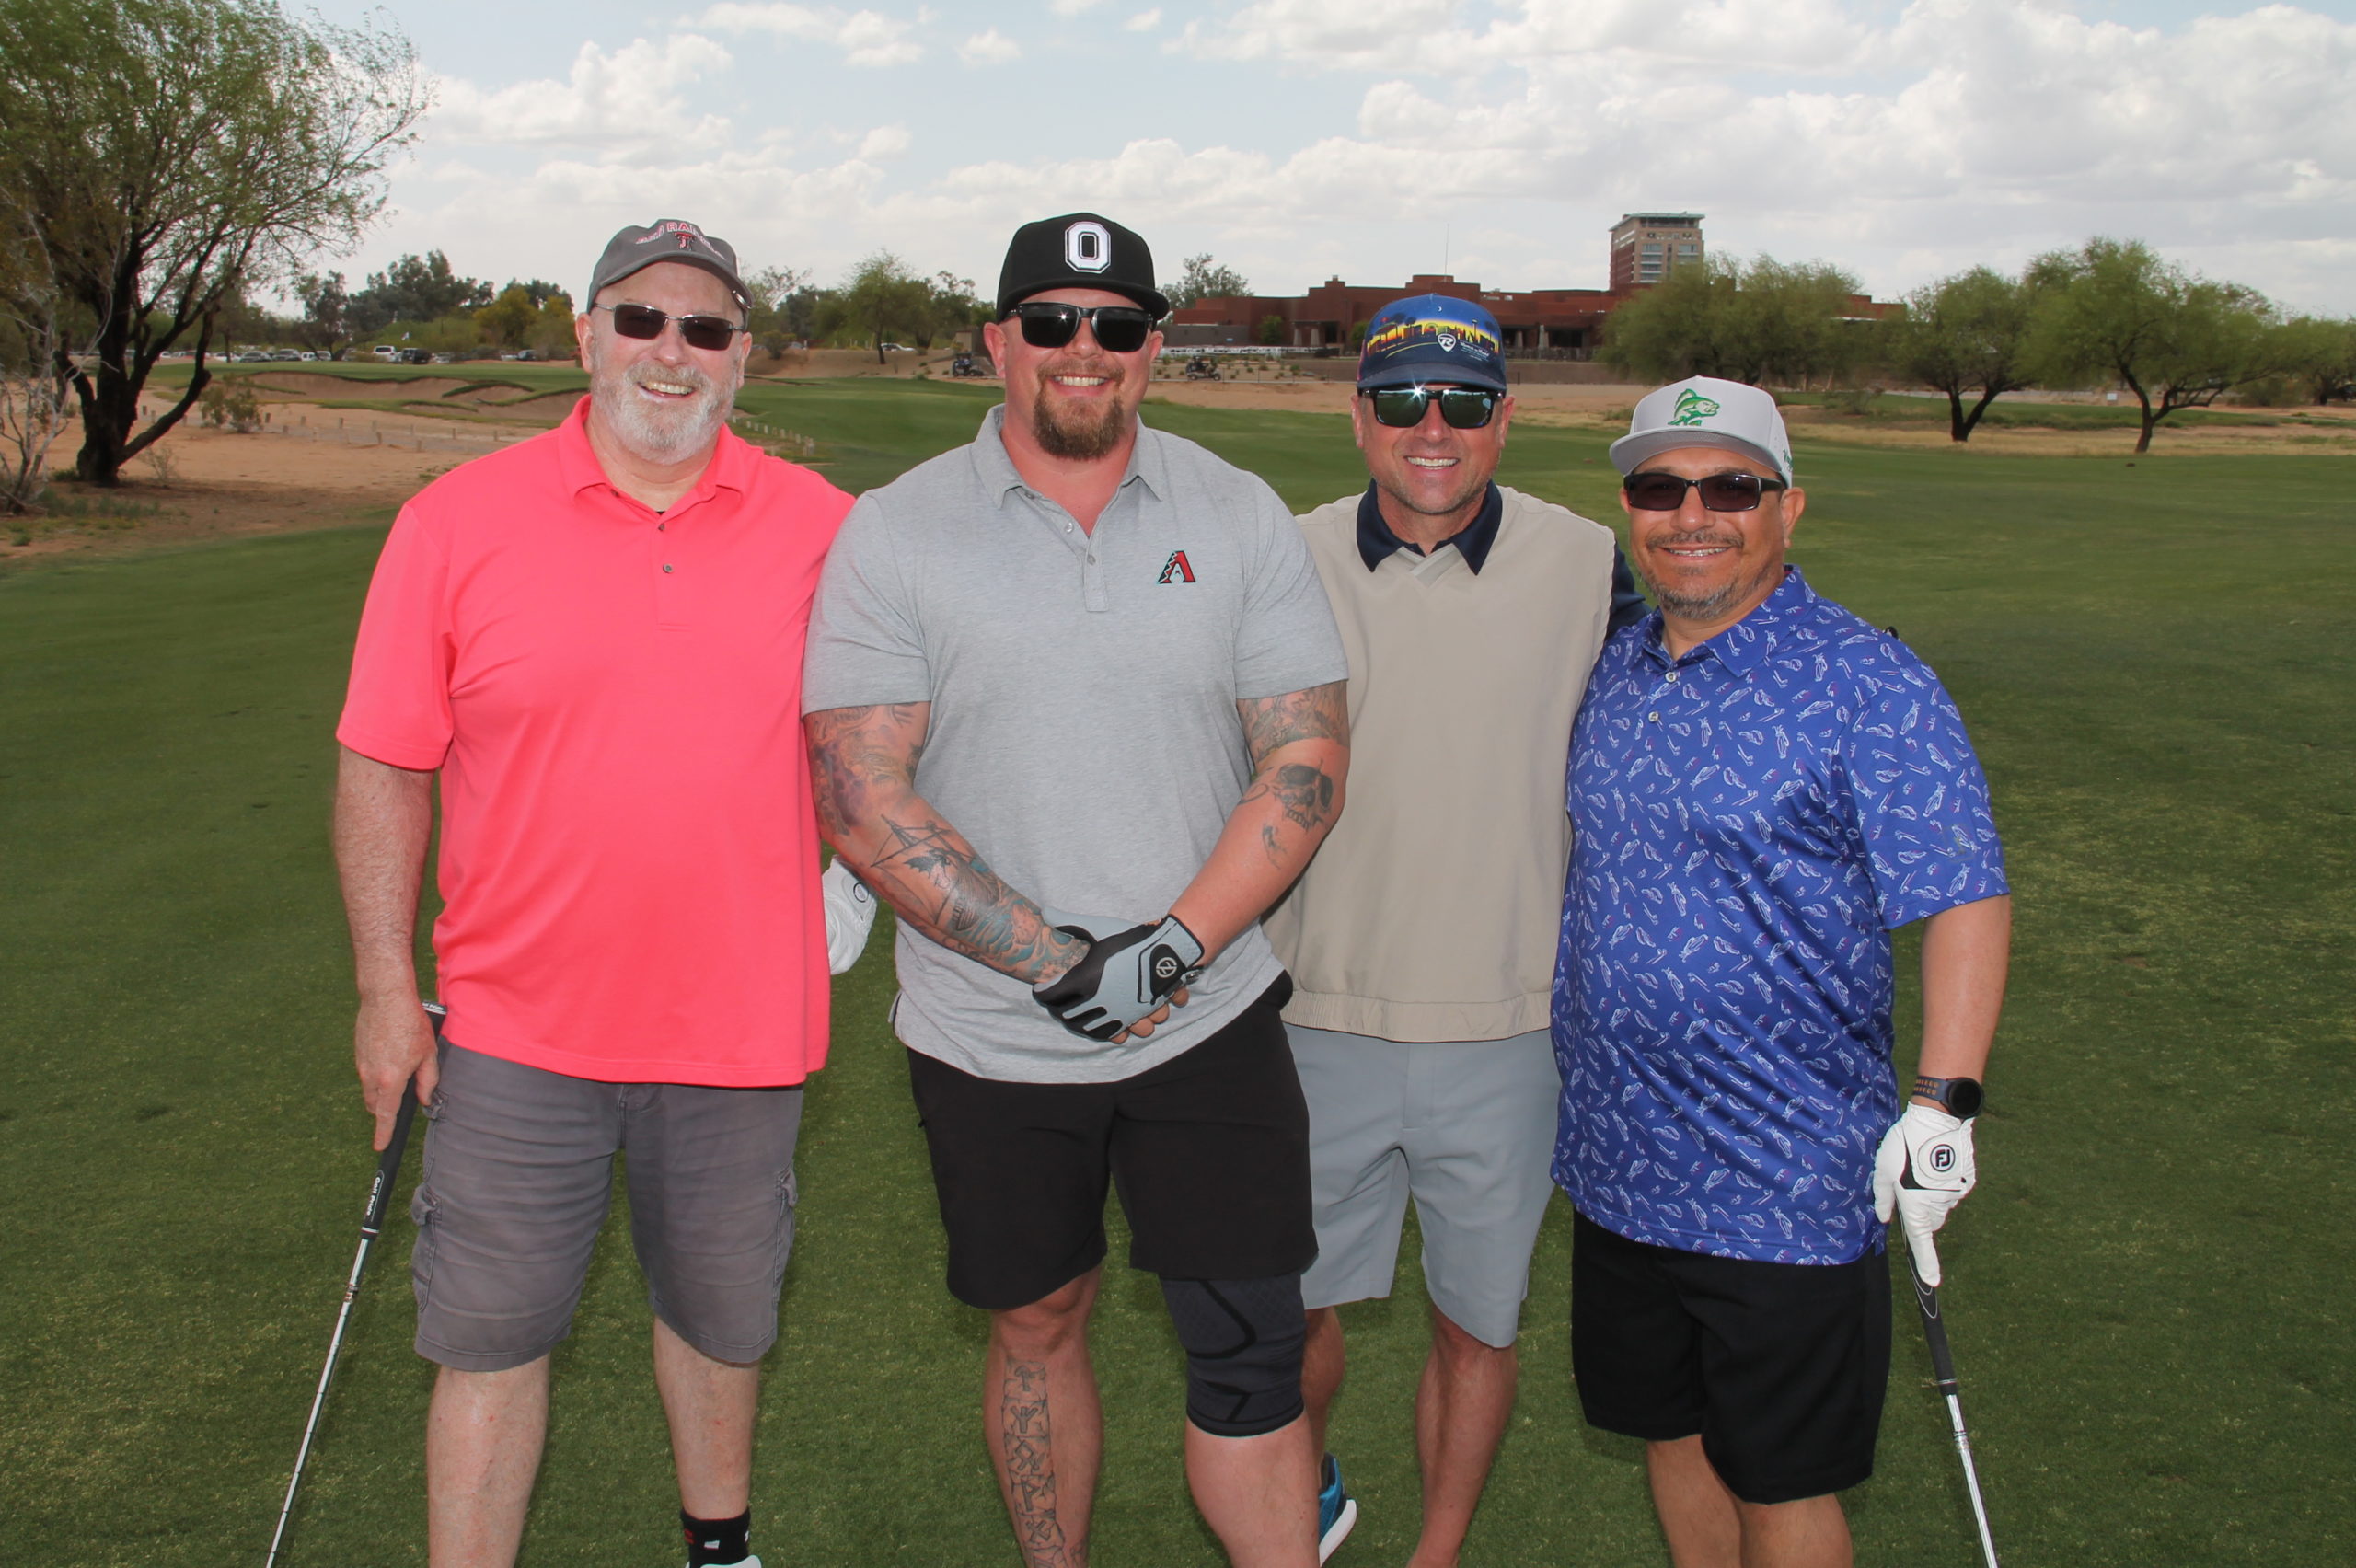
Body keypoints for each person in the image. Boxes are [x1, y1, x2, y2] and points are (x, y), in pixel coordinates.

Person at [802, 212, 1351, 1568]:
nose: (1083, 349)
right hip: (990, 1032)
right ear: (999, 341)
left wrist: (1169, 952)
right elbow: (861, 796)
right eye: (1051, 322)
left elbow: (1304, 760)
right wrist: (1058, 963)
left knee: (1251, 1341)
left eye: (1115, 325)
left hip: (1208, 1013)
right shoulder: (896, 531)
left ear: (1153, 346)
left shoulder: (1235, 511)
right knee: (1039, 1321)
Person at [333, 218, 854, 1568]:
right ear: (587, 336)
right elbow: (385, 764)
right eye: (641, 319)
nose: (670, 351)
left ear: (744, 358)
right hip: (514, 1030)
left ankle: (719, 1548)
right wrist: (386, 990)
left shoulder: (828, 529)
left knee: (721, 1325)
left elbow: (901, 736)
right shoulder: (454, 521)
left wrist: (856, 888)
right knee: (489, 1340)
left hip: (741, 1027)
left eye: (705, 328)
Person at [1554, 377, 2012, 1568]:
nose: (1692, 514)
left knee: (1783, 1480)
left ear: (1787, 507)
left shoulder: (1869, 681)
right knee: (1669, 1433)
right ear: (1630, 508)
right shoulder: (1617, 668)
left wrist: (1944, 1102)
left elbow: (1962, 893)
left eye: (1731, 488)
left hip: (1786, 1176)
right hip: (1619, 1161)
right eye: (1661, 488)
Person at [1260, 293, 1646, 1564]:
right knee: (1293, 1316)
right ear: (1359, 416)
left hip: (1510, 1026)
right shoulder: (1282, 555)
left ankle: (1437, 1552)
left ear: (1504, 420)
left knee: (1478, 1325)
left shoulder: (1588, 564)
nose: (1434, 428)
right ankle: (1303, 1496)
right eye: (1404, 400)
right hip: (1316, 1013)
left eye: (1464, 403)